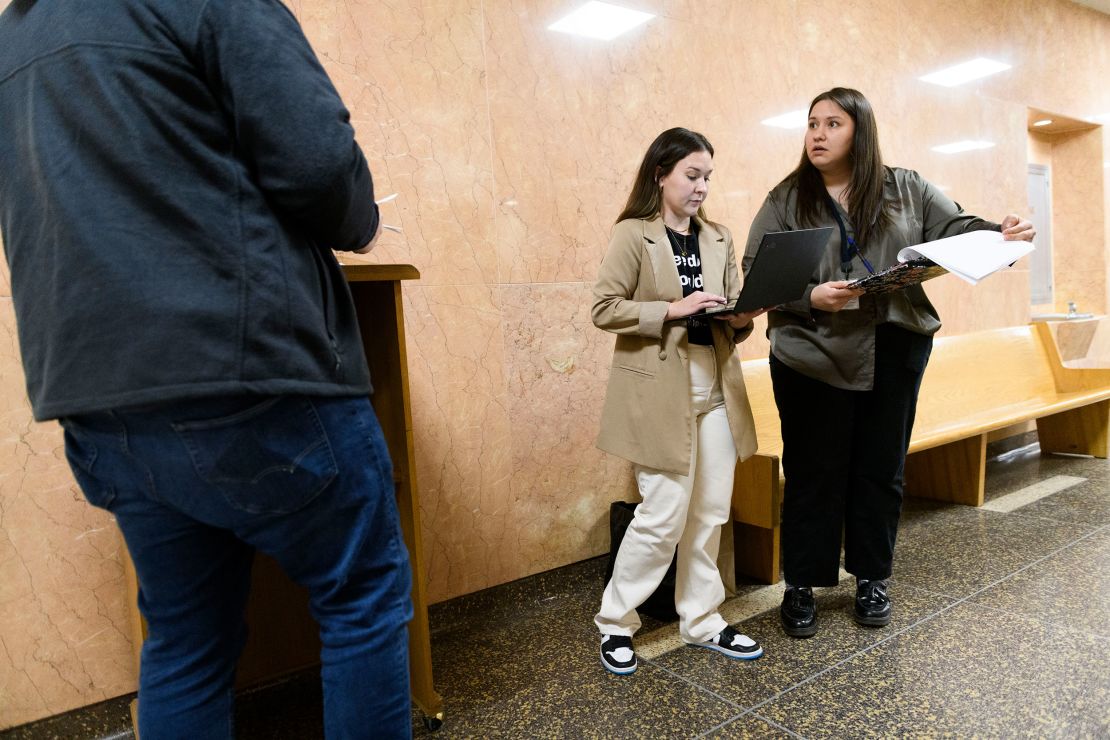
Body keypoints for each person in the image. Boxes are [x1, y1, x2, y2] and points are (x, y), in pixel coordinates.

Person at [0, 1, 413, 737]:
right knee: (363, 598)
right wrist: (365, 220)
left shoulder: (15, 33)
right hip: (246, 372)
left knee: (186, 642)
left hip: (97, 399)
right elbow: (318, 164)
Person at [743, 87, 1035, 638]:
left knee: (881, 469)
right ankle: (802, 583)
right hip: (811, 353)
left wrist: (1002, 233)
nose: (818, 134)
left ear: (861, 131)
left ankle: (873, 577)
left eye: (833, 124)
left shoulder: (906, 187)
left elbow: (955, 231)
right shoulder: (787, 198)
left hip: (895, 346)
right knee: (813, 471)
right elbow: (756, 273)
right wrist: (810, 297)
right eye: (812, 124)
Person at [592, 127, 769, 674]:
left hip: (715, 388)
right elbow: (604, 308)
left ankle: (703, 619)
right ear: (661, 174)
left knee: (711, 510)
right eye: (692, 176)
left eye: (707, 177)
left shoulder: (719, 237)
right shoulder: (633, 234)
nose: (701, 188)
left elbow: (731, 312)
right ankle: (616, 623)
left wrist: (741, 317)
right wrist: (670, 309)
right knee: (662, 514)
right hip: (659, 392)